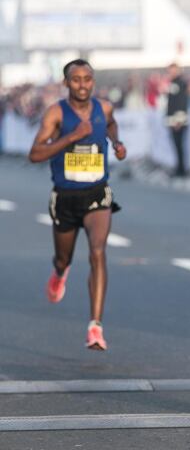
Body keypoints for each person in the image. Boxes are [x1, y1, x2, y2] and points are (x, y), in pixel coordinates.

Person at [28, 59, 127, 351]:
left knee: (98, 252)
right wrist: (72, 136)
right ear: (66, 83)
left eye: (87, 79)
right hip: (65, 196)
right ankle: (60, 273)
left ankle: (95, 327)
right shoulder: (56, 113)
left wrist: (117, 143)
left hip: (97, 193)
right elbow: (35, 154)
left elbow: (110, 124)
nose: (82, 85)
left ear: (93, 82)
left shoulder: (104, 108)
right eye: (76, 80)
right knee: (64, 258)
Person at [165, 63, 189, 176]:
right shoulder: (173, 83)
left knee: (179, 145)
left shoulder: (180, 83)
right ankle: (178, 168)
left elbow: (181, 103)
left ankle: (181, 170)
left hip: (178, 121)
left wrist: (178, 121)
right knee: (176, 146)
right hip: (172, 121)